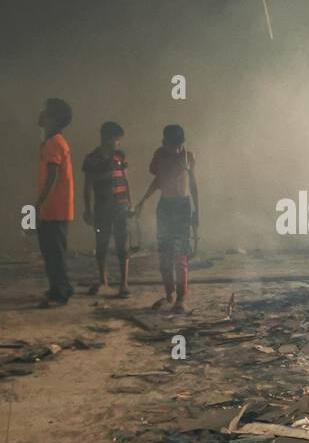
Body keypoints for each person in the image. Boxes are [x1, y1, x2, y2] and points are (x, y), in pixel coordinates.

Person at [133, 124, 197, 313]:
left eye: (178, 146)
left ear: (182, 143)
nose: (175, 150)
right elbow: (158, 180)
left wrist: (197, 212)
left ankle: (181, 298)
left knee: (180, 255)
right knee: (165, 254)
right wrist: (143, 200)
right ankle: (169, 294)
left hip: (182, 206)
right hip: (166, 207)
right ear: (164, 143)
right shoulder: (160, 155)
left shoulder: (188, 156)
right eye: (171, 146)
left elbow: (193, 185)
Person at [81, 121, 132, 297]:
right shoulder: (91, 159)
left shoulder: (120, 156)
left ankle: (124, 284)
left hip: (121, 207)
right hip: (102, 207)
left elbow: (126, 181)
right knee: (101, 244)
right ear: (106, 137)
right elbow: (87, 187)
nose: (118, 143)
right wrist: (88, 210)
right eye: (116, 139)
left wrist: (130, 204)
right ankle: (103, 281)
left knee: (123, 245)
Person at [35, 98, 75, 307]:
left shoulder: (54, 143)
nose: (41, 114)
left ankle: (60, 293)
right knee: (52, 252)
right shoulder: (53, 142)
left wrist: (38, 204)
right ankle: (60, 288)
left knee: (54, 253)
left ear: (54, 118)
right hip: (55, 208)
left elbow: (52, 177)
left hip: (55, 208)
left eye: (45, 111)